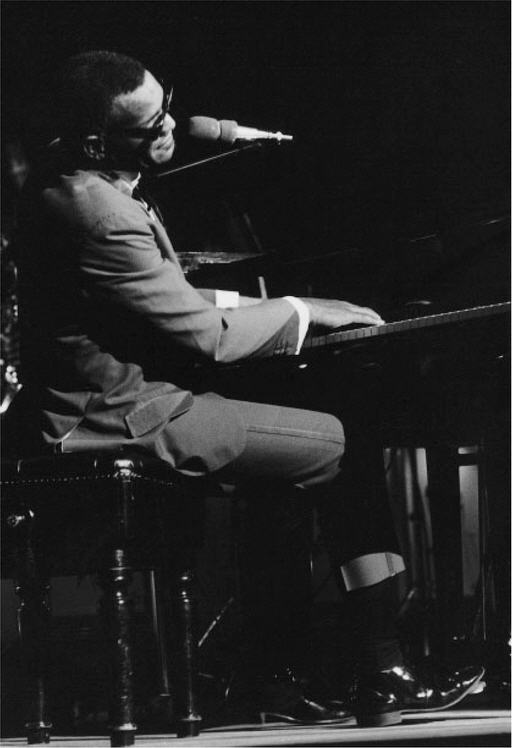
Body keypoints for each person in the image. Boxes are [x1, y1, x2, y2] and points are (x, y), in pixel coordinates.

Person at [12, 50, 483, 728]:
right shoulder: (100, 211)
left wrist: (277, 306)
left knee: (287, 454)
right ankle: (382, 665)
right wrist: (302, 309)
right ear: (95, 141)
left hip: (102, 405)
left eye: (168, 105)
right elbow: (207, 338)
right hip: (123, 416)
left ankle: (273, 669)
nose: (172, 126)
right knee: (344, 440)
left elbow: (160, 296)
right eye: (151, 124)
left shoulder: (68, 184)